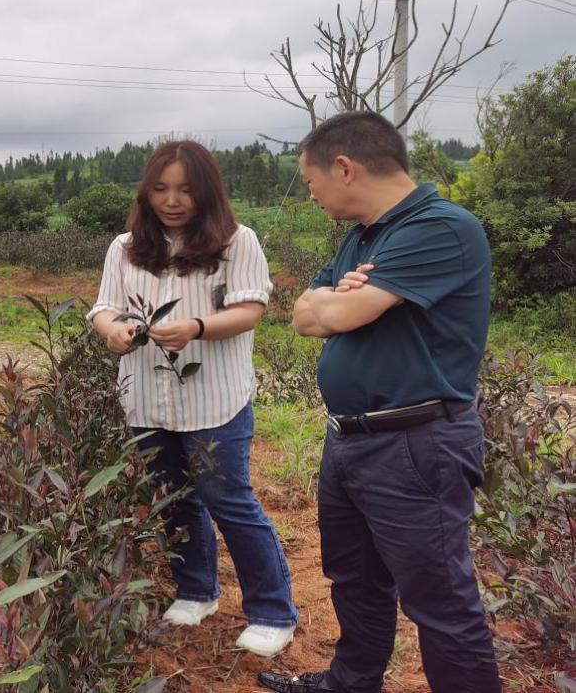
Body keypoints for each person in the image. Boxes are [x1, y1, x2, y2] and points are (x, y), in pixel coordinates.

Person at [259, 111, 500, 693]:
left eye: (311, 181)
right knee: (355, 579)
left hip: (414, 443)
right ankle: (351, 682)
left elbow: (341, 313)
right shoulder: (363, 237)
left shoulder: (441, 227)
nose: (311, 194)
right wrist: (334, 301)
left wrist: (340, 303)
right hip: (350, 439)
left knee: (439, 601)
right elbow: (303, 316)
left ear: (345, 167)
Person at [88, 140, 299, 657]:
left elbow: (250, 309)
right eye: (161, 189)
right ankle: (196, 590)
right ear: (146, 193)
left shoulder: (236, 242)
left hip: (214, 400)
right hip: (145, 399)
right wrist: (112, 330)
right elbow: (104, 308)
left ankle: (272, 612)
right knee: (172, 497)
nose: (172, 200)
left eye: (185, 190)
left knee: (228, 499)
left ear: (206, 192)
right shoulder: (125, 247)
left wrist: (197, 327)